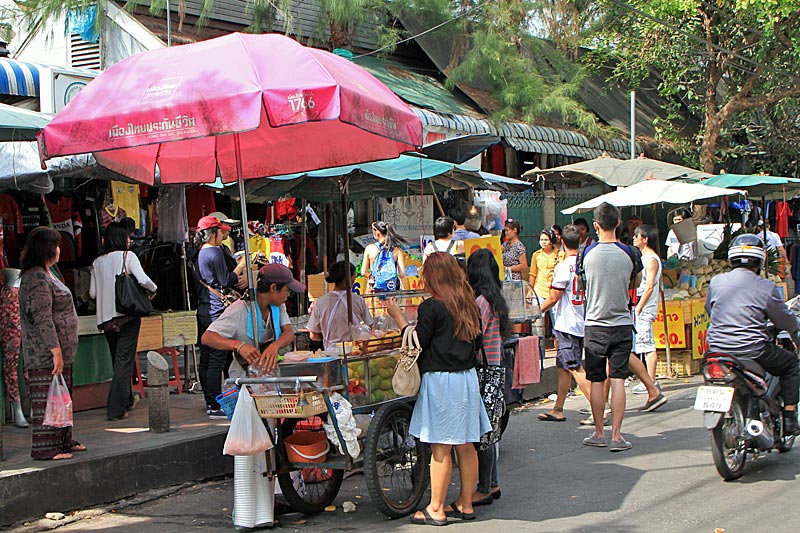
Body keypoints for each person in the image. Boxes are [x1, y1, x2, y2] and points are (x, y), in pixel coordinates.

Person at [385, 252, 491, 525]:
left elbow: (417, 343)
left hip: (442, 382)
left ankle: (436, 508)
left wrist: (398, 318)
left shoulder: (432, 307)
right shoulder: (469, 303)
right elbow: (477, 344)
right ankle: (465, 503)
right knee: (466, 444)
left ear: (432, 277)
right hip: (466, 379)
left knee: (441, 448)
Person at [705, 234, 800, 435]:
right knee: (792, 365)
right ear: (760, 261)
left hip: (716, 351)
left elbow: (710, 310)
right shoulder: (766, 287)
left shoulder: (716, 282)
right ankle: (790, 417)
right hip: (752, 350)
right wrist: (794, 332)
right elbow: (783, 319)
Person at [18, 227, 82, 460]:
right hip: (45, 353)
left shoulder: (49, 272)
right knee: (47, 399)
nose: (59, 250)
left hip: (62, 350)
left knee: (62, 397)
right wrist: (55, 351)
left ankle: (63, 440)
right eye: (55, 245)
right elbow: (42, 317)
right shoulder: (36, 277)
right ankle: (46, 447)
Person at [581, 202, 637, 452]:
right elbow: (634, 282)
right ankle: (616, 436)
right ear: (618, 224)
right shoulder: (629, 253)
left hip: (594, 324)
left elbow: (582, 285)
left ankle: (598, 432)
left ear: (595, 225)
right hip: (622, 323)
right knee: (618, 380)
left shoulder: (587, 254)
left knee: (596, 380)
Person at [90, 222, 158, 421]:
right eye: (128, 237)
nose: (130, 240)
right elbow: (143, 280)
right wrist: (154, 289)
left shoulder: (97, 262)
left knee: (118, 361)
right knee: (124, 362)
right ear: (121, 238)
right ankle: (115, 409)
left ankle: (127, 399)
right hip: (127, 316)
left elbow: (93, 293)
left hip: (106, 320)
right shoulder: (128, 256)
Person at [467, 248, 512, 506]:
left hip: (484, 371)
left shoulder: (480, 303)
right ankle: (493, 484)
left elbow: (474, 337)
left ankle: (484, 487)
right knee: (490, 431)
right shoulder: (495, 300)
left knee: (483, 433)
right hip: (496, 369)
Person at [201, 263, 302, 377]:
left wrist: (275, 346)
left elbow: (289, 333)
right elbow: (207, 337)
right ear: (273, 288)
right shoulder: (239, 310)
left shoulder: (278, 306)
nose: (288, 295)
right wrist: (238, 345)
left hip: (269, 376)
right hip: (243, 378)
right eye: (287, 290)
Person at [193, 215, 248, 419]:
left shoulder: (199, 253)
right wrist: (241, 265)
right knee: (216, 358)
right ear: (213, 233)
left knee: (206, 359)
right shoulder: (215, 252)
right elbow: (226, 281)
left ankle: (210, 402)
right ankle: (216, 404)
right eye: (219, 231)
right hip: (216, 310)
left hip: (204, 308)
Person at [536, 225, 592, 422]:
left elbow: (553, 297)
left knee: (574, 366)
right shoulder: (586, 263)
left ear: (562, 242)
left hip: (568, 323)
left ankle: (599, 408)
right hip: (581, 319)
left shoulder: (564, 266)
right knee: (563, 367)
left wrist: (537, 311)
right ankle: (558, 408)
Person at [307, 261, 373, 350]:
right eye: (354, 278)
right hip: (355, 350)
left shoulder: (321, 302)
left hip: (331, 352)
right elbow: (370, 327)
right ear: (349, 279)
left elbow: (313, 335)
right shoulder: (358, 300)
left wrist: (328, 337)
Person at [631, 224, 663, 394]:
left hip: (645, 307)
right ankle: (648, 380)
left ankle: (651, 381)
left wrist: (639, 307)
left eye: (636, 236)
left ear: (645, 239)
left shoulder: (651, 260)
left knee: (647, 344)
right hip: (639, 304)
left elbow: (649, 287)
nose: (633, 239)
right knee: (642, 344)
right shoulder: (643, 258)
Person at [1, 268, 28, 427]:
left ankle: (30, 406)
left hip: (25, 324)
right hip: (11, 325)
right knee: (12, 363)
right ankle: (17, 408)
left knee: (27, 364)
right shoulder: (8, 293)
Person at [362, 221, 408, 292]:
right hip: (391, 289)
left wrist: (376, 279)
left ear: (377, 233)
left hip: (374, 289)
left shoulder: (369, 249)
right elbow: (402, 274)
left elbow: (363, 272)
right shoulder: (397, 251)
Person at [528, 228, 565, 306]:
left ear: (551, 241)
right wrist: (530, 291)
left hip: (554, 291)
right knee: (538, 313)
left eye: (546, 240)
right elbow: (533, 274)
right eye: (541, 240)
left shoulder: (560, 254)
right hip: (539, 290)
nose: (543, 242)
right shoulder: (536, 255)